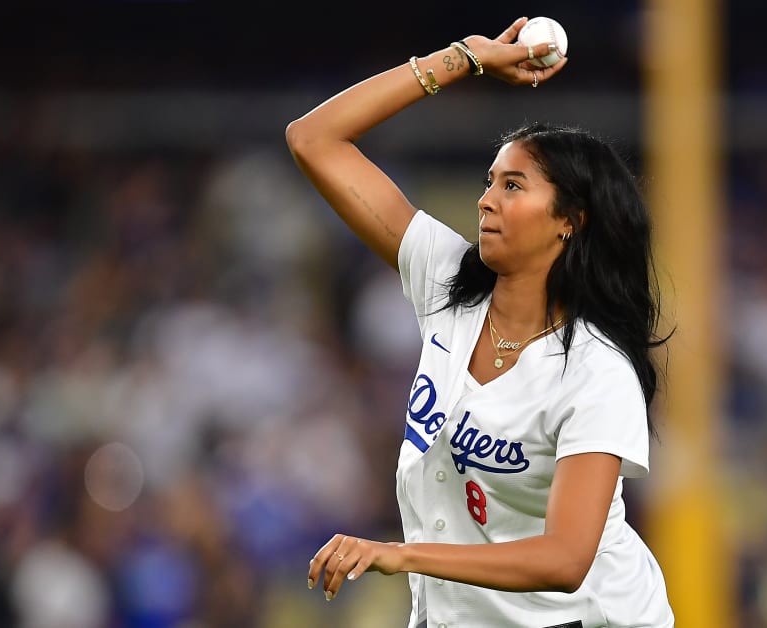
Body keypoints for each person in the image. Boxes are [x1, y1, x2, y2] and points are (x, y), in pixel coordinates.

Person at [289, 17, 674, 628]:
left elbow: (565, 559)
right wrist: (465, 58)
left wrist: (399, 555)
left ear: (568, 220)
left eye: (513, 184)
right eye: (489, 181)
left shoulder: (598, 371)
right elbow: (314, 138)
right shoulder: (450, 284)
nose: (486, 200)